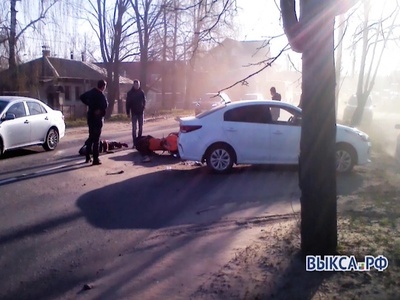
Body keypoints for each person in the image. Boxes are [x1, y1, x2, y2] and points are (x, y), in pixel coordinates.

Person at [80, 79, 109, 165]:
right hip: (97, 119)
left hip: (90, 117)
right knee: (96, 139)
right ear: (103, 87)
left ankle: (88, 157)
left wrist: (89, 104)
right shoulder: (101, 96)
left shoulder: (91, 92)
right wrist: (99, 110)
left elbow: (82, 97)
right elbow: (105, 105)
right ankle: (96, 159)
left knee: (91, 136)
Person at [126, 79, 146, 149]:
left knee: (141, 128)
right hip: (134, 113)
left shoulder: (141, 92)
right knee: (134, 128)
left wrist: (143, 107)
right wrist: (128, 112)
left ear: (139, 85)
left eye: (138, 85)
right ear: (133, 85)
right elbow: (127, 103)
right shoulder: (130, 93)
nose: (136, 86)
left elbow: (144, 100)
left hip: (141, 112)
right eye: (135, 85)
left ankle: (139, 142)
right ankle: (134, 143)